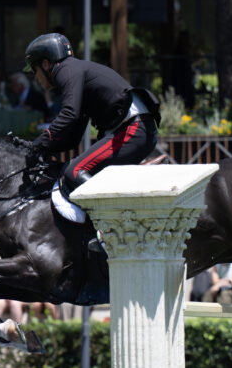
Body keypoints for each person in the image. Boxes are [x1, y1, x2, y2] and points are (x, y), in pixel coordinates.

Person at [24, 32, 159, 233]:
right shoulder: (75, 71)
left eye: (35, 70)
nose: (36, 77)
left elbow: (69, 114)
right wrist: (44, 149)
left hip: (133, 129)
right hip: (136, 128)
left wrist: (40, 142)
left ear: (46, 64)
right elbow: (73, 135)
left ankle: (111, 230)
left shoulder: (65, 70)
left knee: (74, 172)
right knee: (74, 169)